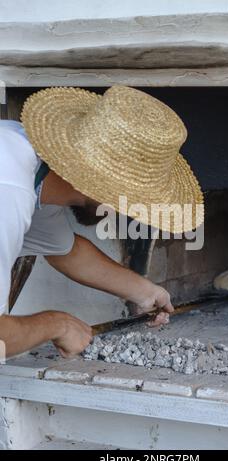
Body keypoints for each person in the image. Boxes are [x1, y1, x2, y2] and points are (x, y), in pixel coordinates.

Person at [0, 85, 203, 358]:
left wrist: (144, 292)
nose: (126, 213)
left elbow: (66, 251)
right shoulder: (9, 191)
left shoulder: (32, 167)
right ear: (99, 184)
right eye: (128, 202)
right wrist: (57, 325)